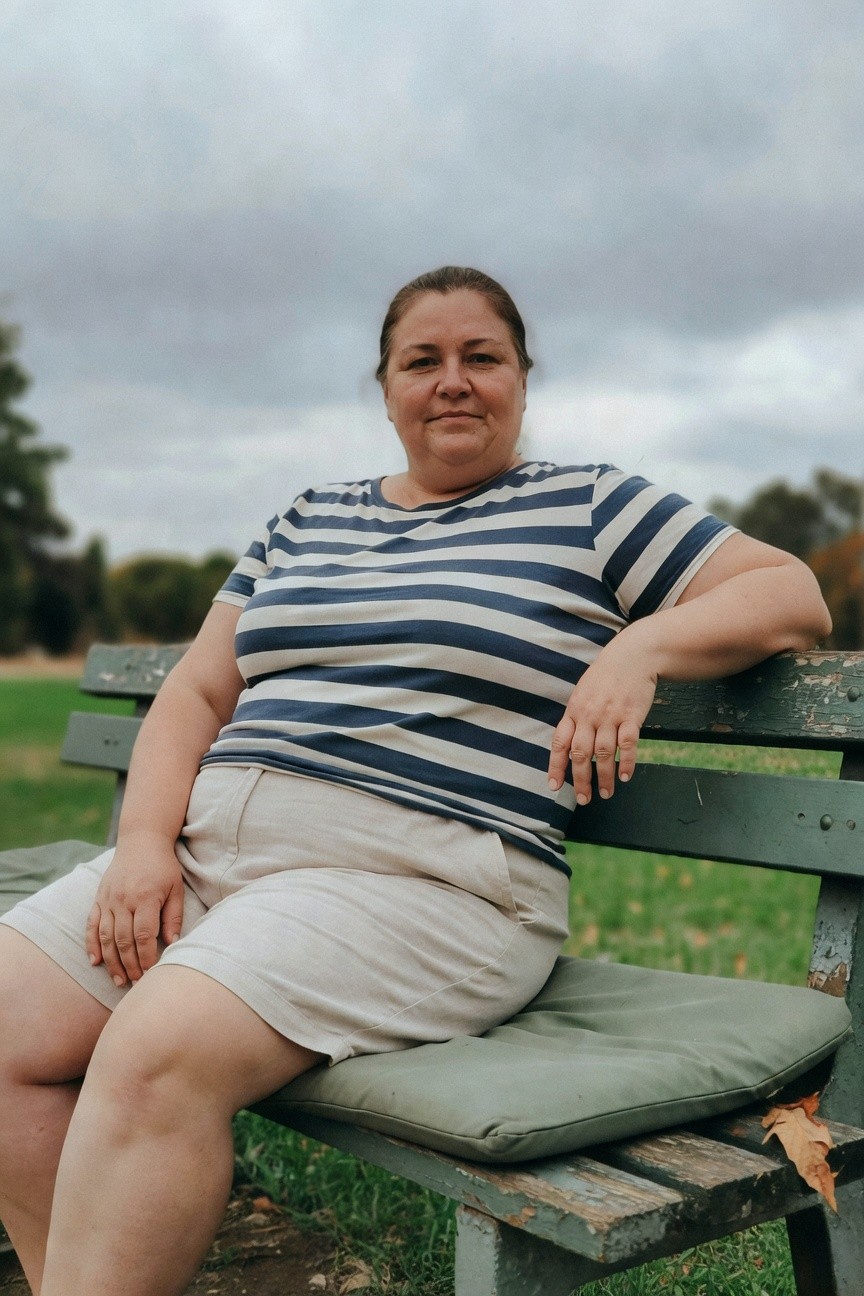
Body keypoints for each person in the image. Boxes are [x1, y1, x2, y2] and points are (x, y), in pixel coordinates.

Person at [0, 266, 831, 1296]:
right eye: (421, 361)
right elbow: (196, 695)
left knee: (153, 1055)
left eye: (481, 357)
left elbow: (789, 593)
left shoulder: (590, 506)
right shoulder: (308, 516)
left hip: (421, 885)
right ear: (385, 387)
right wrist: (140, 846)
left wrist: (638, 648)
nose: (452, 381)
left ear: (522, 379)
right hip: (216, 856)